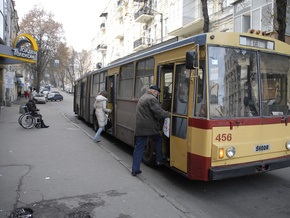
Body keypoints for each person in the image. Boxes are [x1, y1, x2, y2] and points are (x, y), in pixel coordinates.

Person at [131, 85, 170, 176]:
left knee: (138, 148)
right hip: (149, 127)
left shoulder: (143, 97)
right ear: (155, 92)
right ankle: (159, 160)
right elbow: (159, 113)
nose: (157, 95)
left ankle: (135, 169)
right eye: (157, 94)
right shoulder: (152, 99)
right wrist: (168, 114)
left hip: (140, 127)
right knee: (158, 139)